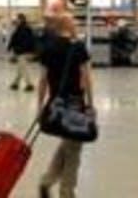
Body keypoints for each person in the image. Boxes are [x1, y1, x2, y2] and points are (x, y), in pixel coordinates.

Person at [37, 13, 94, 198]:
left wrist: (39, 106)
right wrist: (91, 105)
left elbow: (43, 80)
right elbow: (86, 78)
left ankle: (47, 181)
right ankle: (67, 192)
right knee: (74, 150)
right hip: (75, 104)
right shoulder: (78, 47)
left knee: (68, 143)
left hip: (56, 104)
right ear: (69, 25)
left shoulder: (48, 47)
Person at [7, 13, 37, 92]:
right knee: (21, 67)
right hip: (24, 51)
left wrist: (14, 50)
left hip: (24, 51)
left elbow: (21, 41)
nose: (16, 21)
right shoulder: (22, 29)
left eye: (17, 19)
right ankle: (15, 83)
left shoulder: (23, 30)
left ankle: (29, 84)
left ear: (21, 20)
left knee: (23, 67)